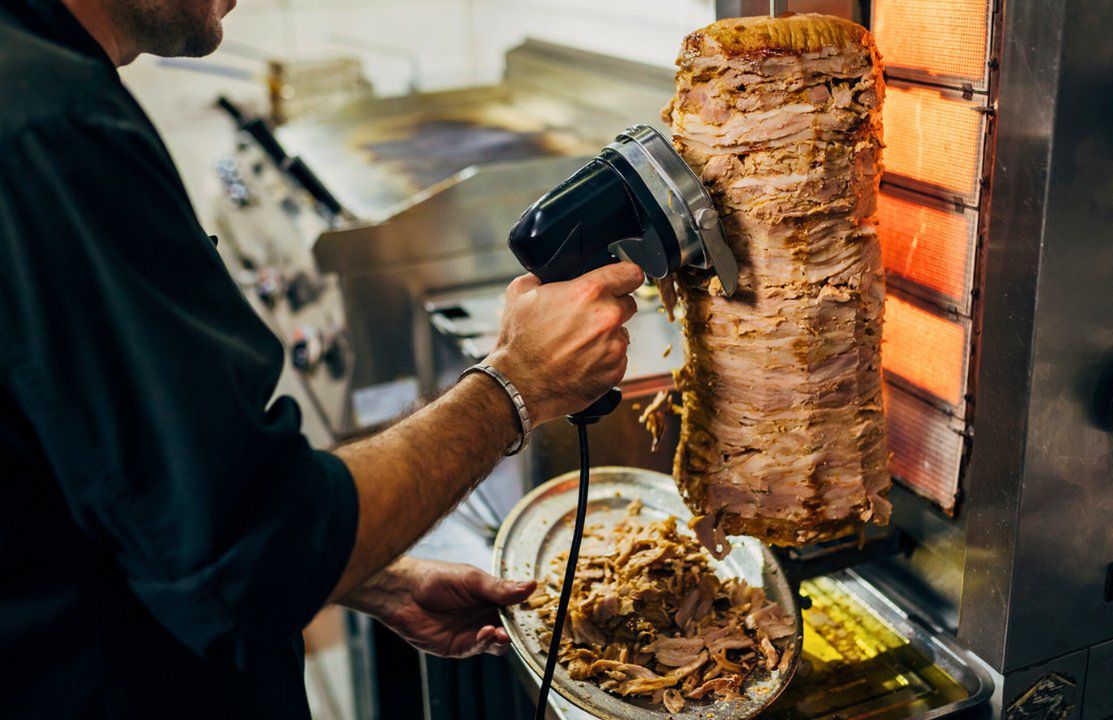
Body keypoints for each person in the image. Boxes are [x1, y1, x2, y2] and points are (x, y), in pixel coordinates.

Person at [0, 0, 646, 716]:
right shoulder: (47, 124)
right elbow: (247, 555)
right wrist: (516, 385)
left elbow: (123, 483)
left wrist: (369, 574)